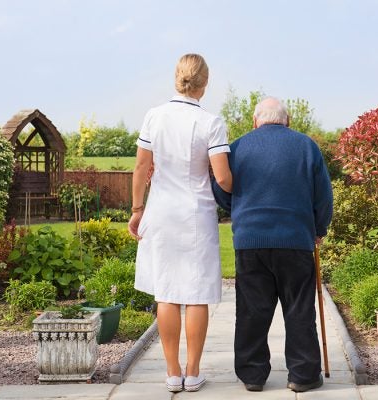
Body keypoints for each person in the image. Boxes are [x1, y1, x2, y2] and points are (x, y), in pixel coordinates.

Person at [212, 97, 333, 393]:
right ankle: (303, 375)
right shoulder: (307, 147)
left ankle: (253, 376)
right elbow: (323, 196)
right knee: (299, 309)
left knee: (253, 310)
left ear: (255, 121)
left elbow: (221, 186)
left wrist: (237, 211)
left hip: (250, 241)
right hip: (295, 240)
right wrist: (319, 229)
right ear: (287, 120)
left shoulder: (238, 147)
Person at [128, 53, 232, 393]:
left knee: (167, 291)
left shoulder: (153, 116)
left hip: (160, 211)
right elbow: (223, 177)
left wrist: (136, 209)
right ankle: (193, 371)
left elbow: (142, 167)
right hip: (196, 215)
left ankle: (172, 373)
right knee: (197, 292)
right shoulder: (211, 123)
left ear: (177, 78)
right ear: (205, 82)